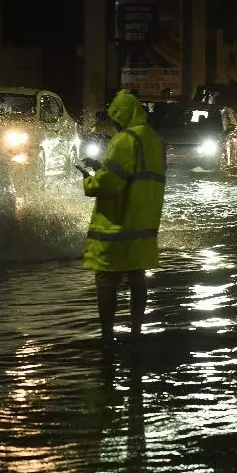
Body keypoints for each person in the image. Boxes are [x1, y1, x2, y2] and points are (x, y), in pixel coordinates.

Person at [80, 90, 166, 345]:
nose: (114, 125)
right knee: (137, 278)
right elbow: (135, 174)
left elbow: (109, 185)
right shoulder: (153, 139)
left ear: (122, 117)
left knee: (106, 282)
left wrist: (89, 179)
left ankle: (107, 337)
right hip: (143, 225)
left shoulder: (124, 140)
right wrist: (101, 167)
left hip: (117, 226)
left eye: (115, 120)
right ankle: (136, 333)